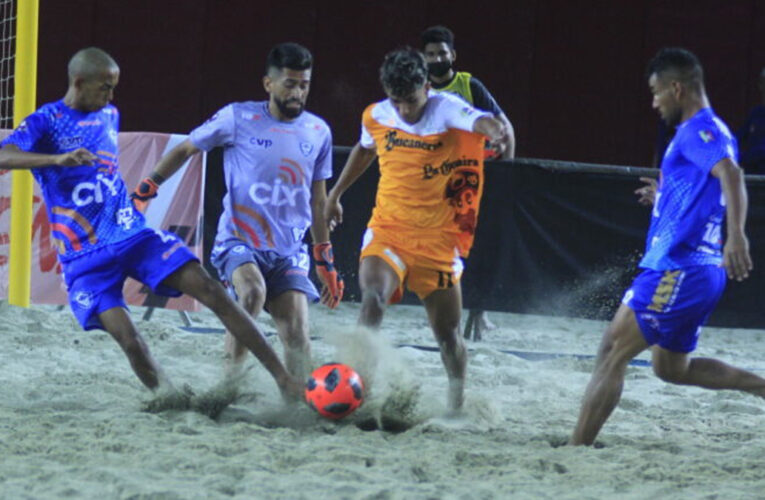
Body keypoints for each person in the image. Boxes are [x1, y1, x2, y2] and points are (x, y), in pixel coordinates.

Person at [0, 47, 303, 404]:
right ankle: (172, 400)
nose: (111, 96)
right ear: (79, 83)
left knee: (211, 289)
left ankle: (284, 380)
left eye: (114, 87)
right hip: (83, 257)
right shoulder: (46, 121)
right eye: (105, 87)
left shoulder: (109, 114)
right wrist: (57, 159)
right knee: (130, 341)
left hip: (130, 233)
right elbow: (4, 154)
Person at [571, 47, 762, 446]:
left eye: (657, 92)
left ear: (677, 88)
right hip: (695, 271)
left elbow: (732, 173)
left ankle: (577, 447)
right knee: (672, 370)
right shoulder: (706, 132)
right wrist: (663, 195)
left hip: (680, 268)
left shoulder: (699, 129)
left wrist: (737, 235)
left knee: (611, 351)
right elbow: (705, 185)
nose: (654, 102)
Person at [132, 42, 342, 383]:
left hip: (289, 251)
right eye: (290, 84)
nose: (298, 93)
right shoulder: (238, 117)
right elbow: (186, 148)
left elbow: (318, 202)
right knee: (253, 293)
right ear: (268, 84)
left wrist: (324, 258)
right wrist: (148, 187)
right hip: (239, 241)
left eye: (304, 85)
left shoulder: (318, 132)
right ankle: (230, 384)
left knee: (298, 337)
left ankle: (302, 403)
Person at [324, 48, 507, 411]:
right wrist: (335, 193)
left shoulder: (447, 108)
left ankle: (456, 403)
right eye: (397, 101)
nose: (405, 110)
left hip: (439, 240)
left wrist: (497, 131)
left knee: (447, 335)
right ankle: (359, 389)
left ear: (426, 86)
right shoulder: (377, 115)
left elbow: (482, 122)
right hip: (389, 228)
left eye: (411, 100)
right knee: (373, 299)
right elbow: (365, 150)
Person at [420, 25, 517, 341]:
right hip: (435, 184)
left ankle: (480, 311)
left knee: (478, 248)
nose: (437, 58)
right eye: (431, 54)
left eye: (442, 53)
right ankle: (442, 310)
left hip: (471, 183)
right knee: (440, 249)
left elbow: (506, 128)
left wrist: (505, 173)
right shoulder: (418, 90)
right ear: (423, 58)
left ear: (453, 55)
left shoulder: (468, 85)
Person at [735, 67, 765, 174]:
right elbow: (738, 137)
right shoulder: (756, 113)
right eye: (763, 83)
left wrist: (743, 157)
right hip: (752, 175)